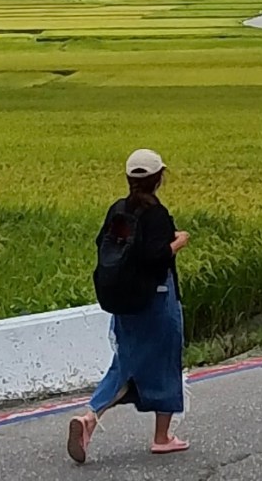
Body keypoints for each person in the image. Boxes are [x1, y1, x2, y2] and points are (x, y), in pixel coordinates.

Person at [66, 149, 191, 464]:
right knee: (165, 360)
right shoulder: (156, 214)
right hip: (156, 299)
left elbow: (113, 246)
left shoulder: (119, 210)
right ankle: (159, 436)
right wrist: (178, 242)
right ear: (158, 178)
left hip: (126, 300)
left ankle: (91, 417)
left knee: (126, 362)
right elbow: (154, 256)